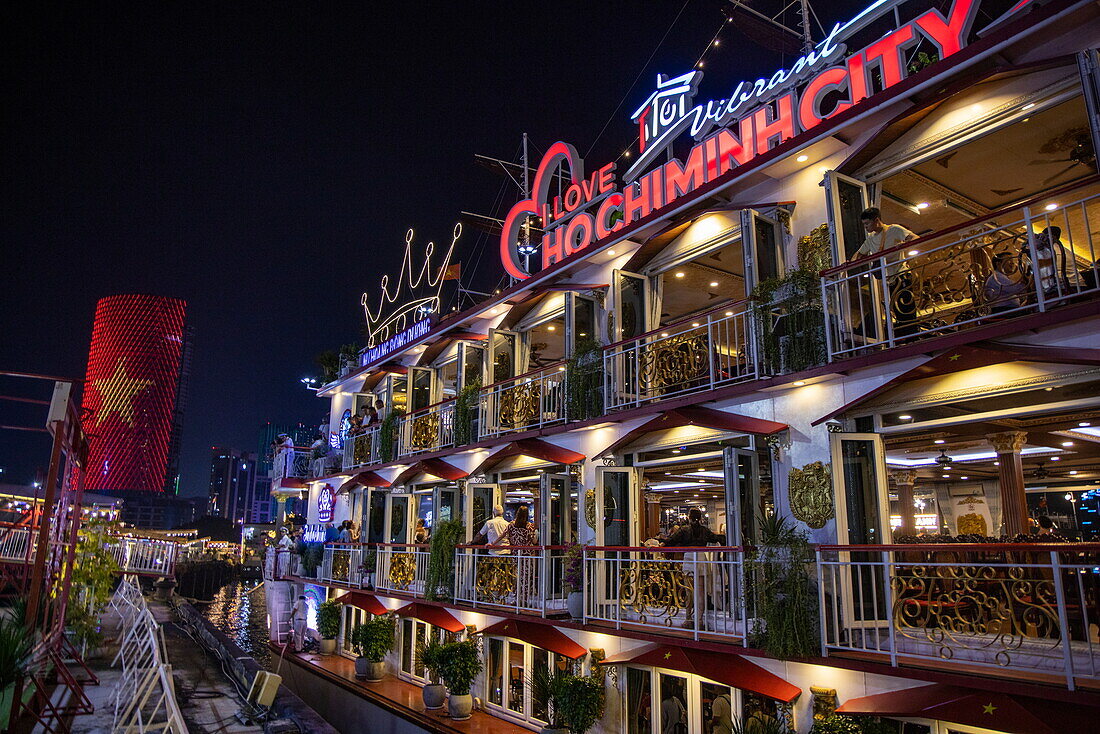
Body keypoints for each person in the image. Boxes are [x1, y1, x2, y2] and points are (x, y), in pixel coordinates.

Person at [851, 207, 919, 338]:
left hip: (901, 274)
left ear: (876, 220)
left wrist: (903, 244)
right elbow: (859, 253)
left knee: (905, 307)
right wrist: (850, 263)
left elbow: (914, 237)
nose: (865, 227)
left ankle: (912, 336)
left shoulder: (894, 229)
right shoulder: (870, 239)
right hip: (888, 279)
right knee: (896, 308)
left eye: (867, 223)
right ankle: (904, 336)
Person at [663, 509, 724, 628]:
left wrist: (660, 544)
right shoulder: (704, 530)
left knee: (689, 592)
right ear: (700, 518)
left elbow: (671, 540)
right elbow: (716, 538)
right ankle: (699, 620)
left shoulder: (684, 530)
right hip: (701, 558)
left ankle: (688, 619)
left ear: (689, 518)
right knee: (700, 593)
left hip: (689, 558)